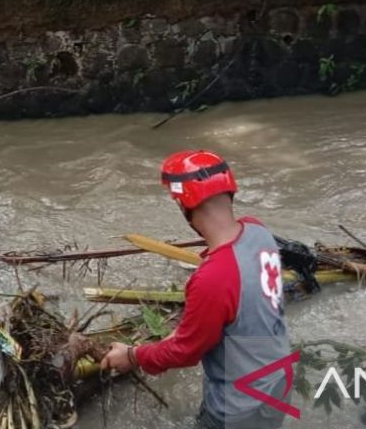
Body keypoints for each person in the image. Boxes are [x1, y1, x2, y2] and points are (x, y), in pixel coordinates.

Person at [100, 151, 291, 429]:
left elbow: (185, 353)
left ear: (184, 204)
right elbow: (238, 309)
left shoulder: (213, 277)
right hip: (276, 381)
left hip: (239, 406)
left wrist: (131, 355)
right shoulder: (258, 232)